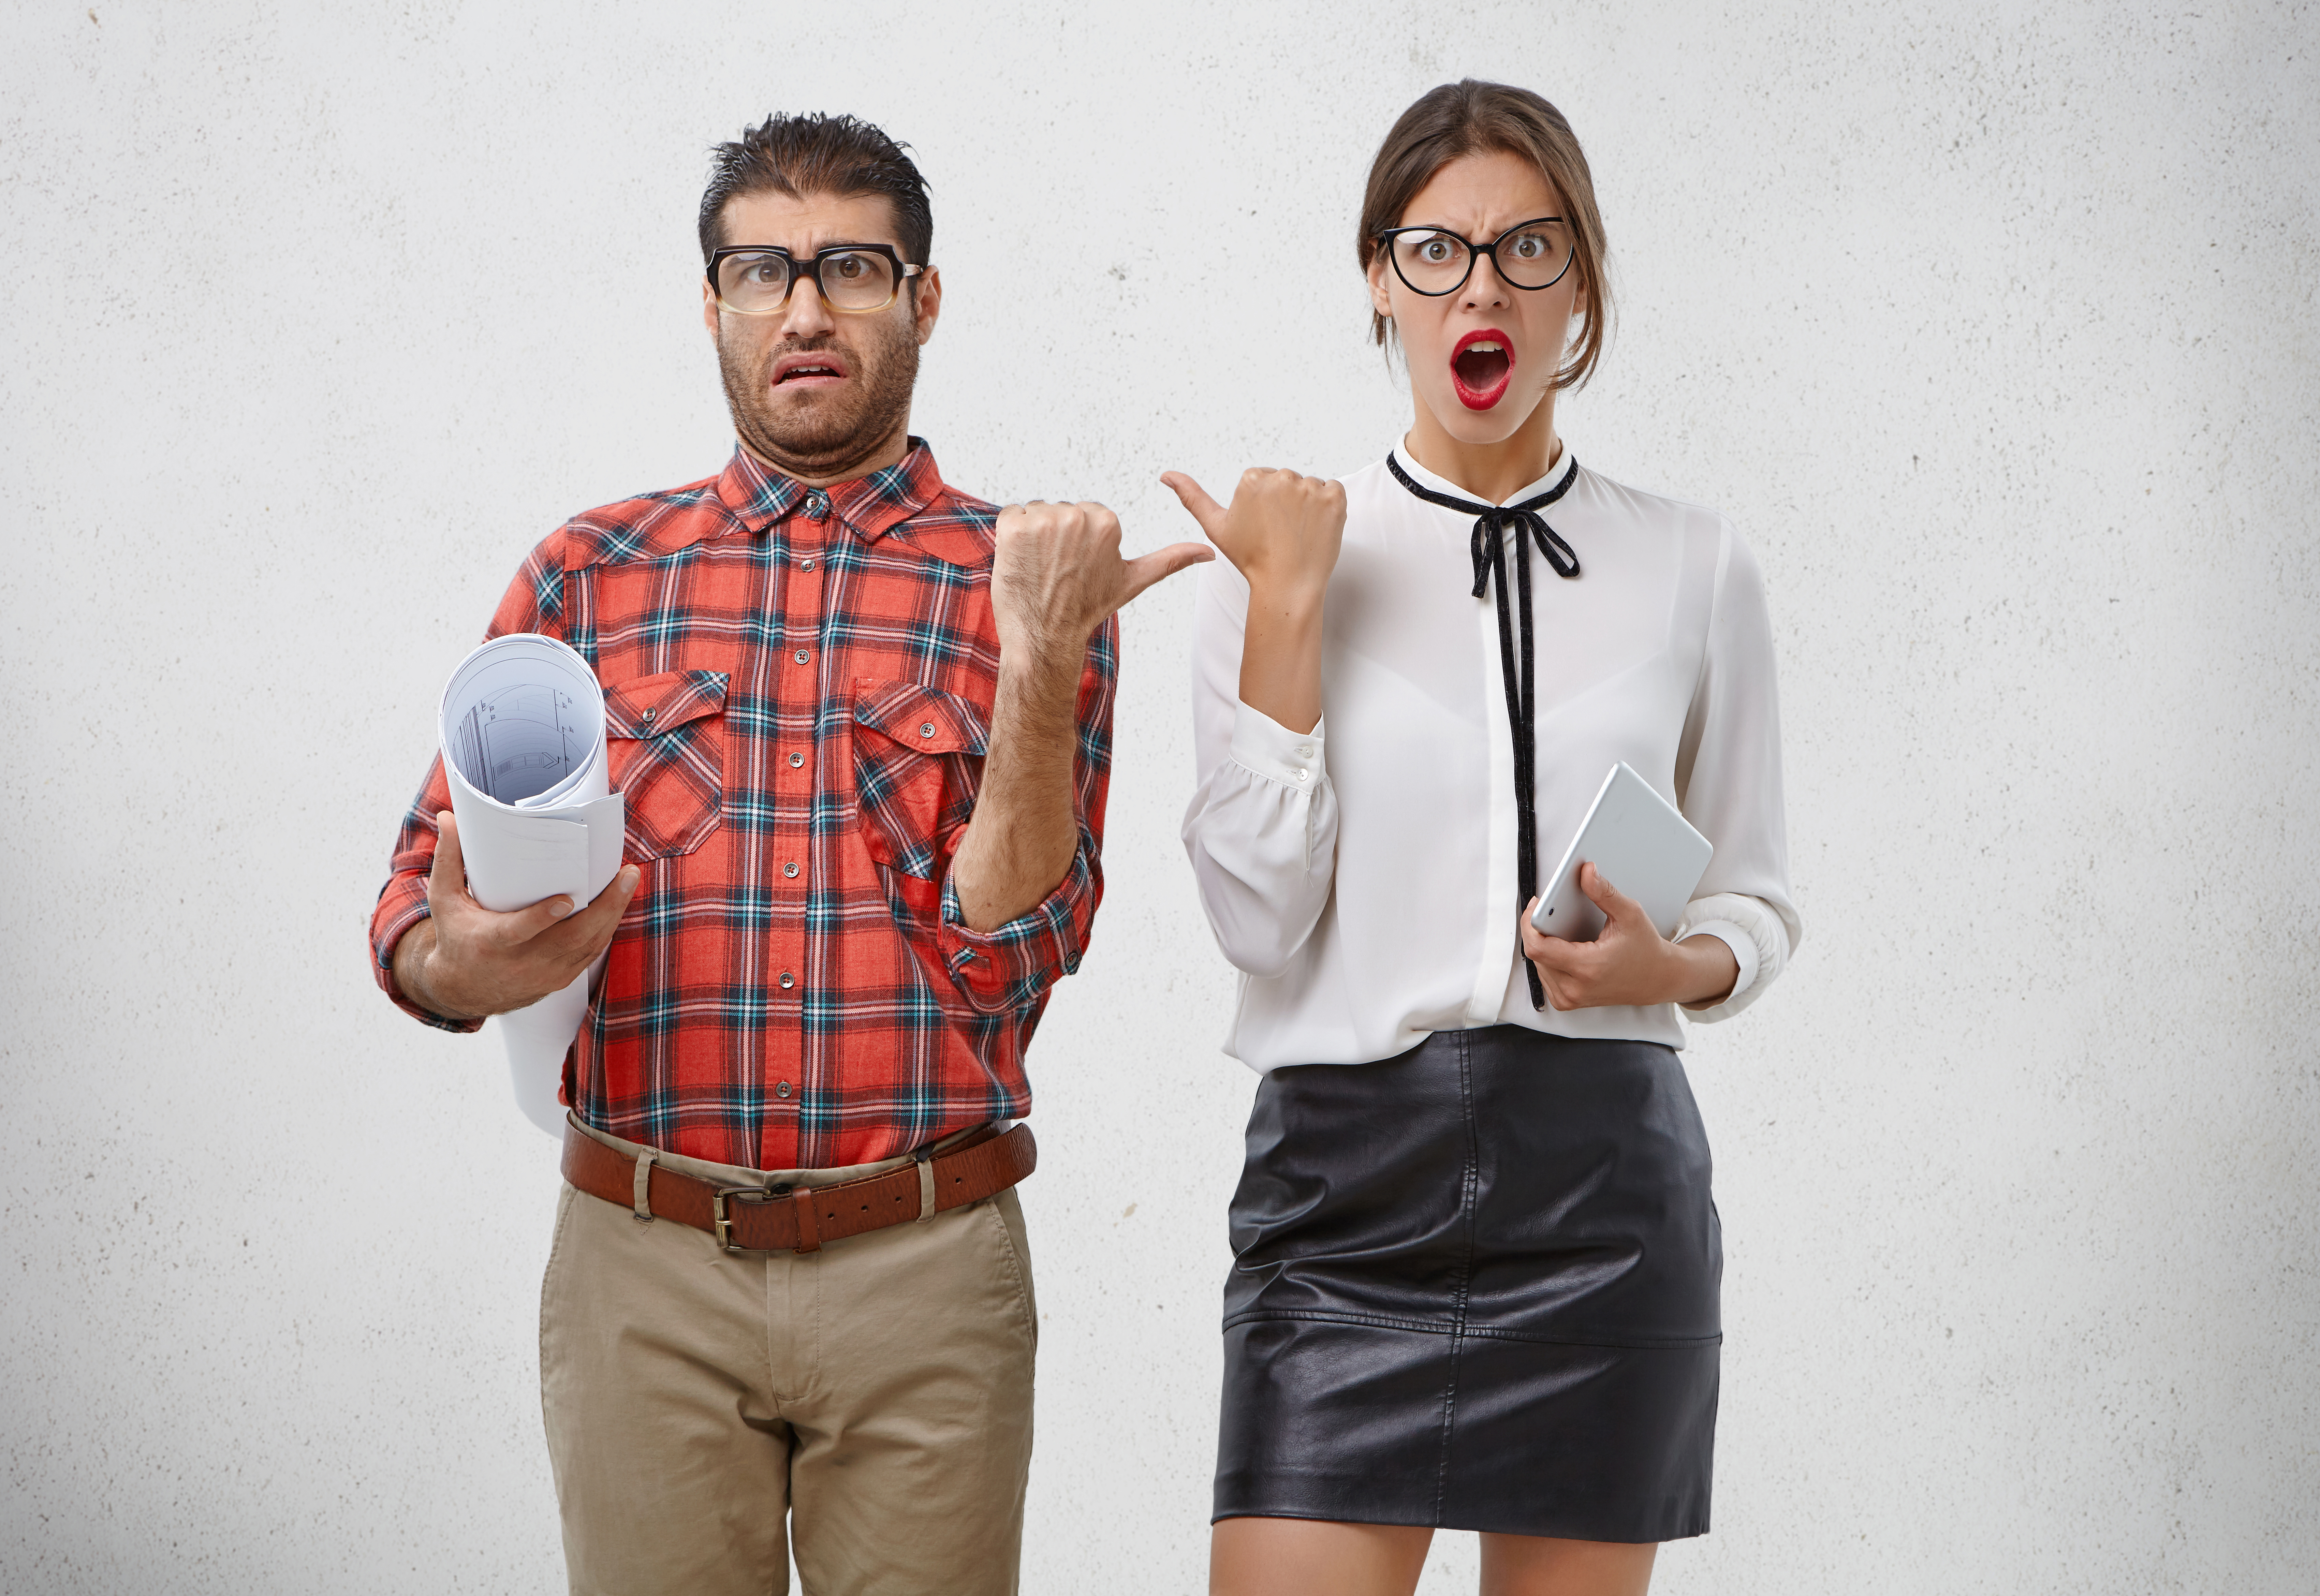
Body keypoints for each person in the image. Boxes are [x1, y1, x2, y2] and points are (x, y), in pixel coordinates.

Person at [367, 112, 1206, 1596]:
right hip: (645, 1267)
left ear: (923, 299)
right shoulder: (587, 575)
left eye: (852, 268)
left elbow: (1022, 947)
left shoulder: (1029, 578)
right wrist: (461, 962)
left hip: (927, 1271)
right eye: (762, 270)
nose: (805, 309)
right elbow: (411, 919)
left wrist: (1041, 653)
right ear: (714, 305)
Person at [1167, 80, 1801, 1596]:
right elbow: (1258, 928)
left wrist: (1679, 962)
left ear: (1580, 280)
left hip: (1605, 1193)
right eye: (1438, 250)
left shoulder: (1694, 563)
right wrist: (1295, 607)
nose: (1483, 286)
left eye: (1529, 249)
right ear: (1379, 279)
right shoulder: (1279, 560)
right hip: (1342, 1199)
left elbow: (1758, 895)